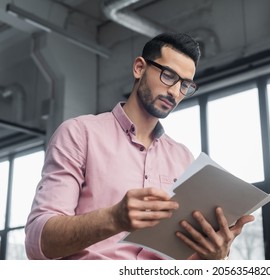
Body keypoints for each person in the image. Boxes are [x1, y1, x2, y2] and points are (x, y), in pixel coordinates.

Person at [25, 32, 254, 260]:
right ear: (139, 68)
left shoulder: (183, 157)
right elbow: (38, 243)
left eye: (185, 85)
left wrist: (211, 258)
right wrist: (114, 219)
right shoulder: (79, 133)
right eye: (168, 75)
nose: (175, 91)